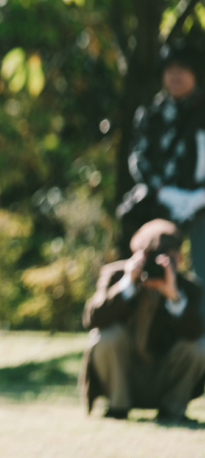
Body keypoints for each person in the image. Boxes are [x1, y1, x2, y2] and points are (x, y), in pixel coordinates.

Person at [79, 219, 205, 422]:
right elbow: (91, 318)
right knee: (104, 336)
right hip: (123, 376)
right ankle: (118, 407)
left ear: (179, 259)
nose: (156, 264)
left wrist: (175, 298)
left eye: (164, 258)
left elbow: (197, 333)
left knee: (200, 346)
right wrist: (127, 284)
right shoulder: (116, 275)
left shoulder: (189, 287)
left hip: (163, 377)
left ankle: (173, 409)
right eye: (150, 256)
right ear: (135, 255)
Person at [118, 39, 205, 288]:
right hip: (159, 202)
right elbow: (138, 158)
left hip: (202, 203)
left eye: (183, 69)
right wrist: (164, 192)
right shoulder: (151, 114)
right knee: (152, 266)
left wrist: (199, 197)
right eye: (170, 69)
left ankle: (200, 324)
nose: (176, 75)